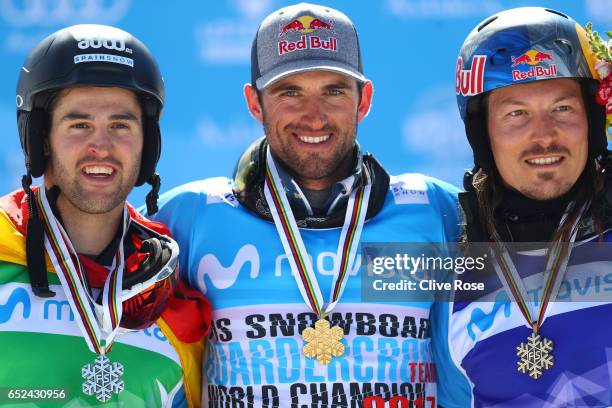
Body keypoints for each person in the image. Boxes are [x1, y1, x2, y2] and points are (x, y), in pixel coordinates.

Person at [152, 3, 460, 406]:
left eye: (333, 91)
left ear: (363, 100)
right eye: (289, 92)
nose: (314, 116)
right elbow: (151, 362)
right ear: (254, 103)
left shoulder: (434, 209)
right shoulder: (191, 216)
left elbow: (487, 347)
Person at [0, 24, 210, 407]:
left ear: (147, 143)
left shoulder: (167, 289)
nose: (101, 146)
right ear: (40, 138)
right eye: (79, 125)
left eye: (120, 125)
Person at [433, 7, 612, 407]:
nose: (544, 136)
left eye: (562, 108)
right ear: (483, 133)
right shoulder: (450, 269)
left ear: (593, 119)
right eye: (516, 114)